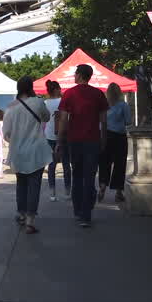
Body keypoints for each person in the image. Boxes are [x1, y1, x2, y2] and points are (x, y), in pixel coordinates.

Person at [56, 63, 108, 228]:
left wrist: (59, 140)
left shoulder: (69, 94)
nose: (74, 76)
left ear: (79, 75)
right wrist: (104, 139)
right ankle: (87, 213)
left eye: (75, 73)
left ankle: (78, 210)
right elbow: (103, 121)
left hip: (75, 140)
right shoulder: (99, 94)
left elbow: (64, 119)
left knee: (77, 175)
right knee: (89, 176)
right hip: (93, 140)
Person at [4, 76, 52, 234]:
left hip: (18, 151)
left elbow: (6, 134)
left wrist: (17, 137)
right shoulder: (38, 102)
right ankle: (30, 220)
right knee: (34, 186)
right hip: (36, 151)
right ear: (31, 87)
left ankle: (21, 213)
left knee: (21, 184)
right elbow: (46, 117)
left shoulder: (11, 107)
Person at [98, 82, 133, 204]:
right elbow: (128, 121)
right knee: (120, 164)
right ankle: (118, 191)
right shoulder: (123, 105)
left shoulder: (103, 105)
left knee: (104, 162)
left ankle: (102, 185)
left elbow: (99, 122)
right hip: (119, 137)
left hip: (105, 136)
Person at [42, 79, 71, 201]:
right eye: (60, 89)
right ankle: (67, 191)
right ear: (56, 90)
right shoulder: (63, 101)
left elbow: (43, 120)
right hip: (63, 135)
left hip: (49, 135)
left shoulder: (45, 103)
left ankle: (52, 193)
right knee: (66, 164)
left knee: (52, 165)